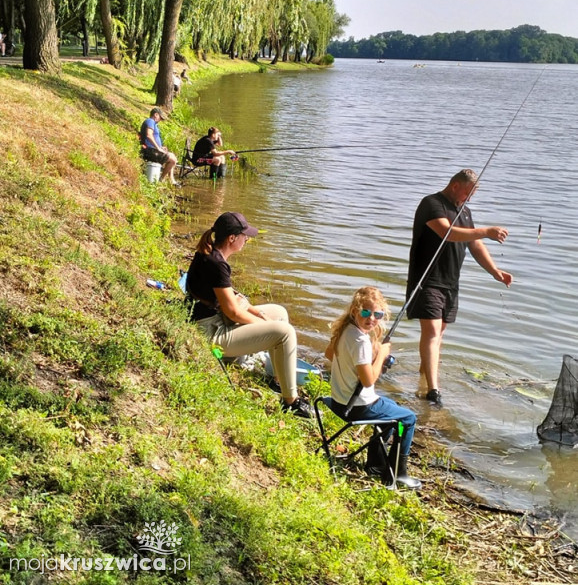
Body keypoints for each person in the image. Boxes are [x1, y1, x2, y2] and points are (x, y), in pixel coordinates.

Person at [186, 211, 311, 418]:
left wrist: (257, 313)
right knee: (285, 333)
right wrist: (261, 323)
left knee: (279, 313)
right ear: (232, 238)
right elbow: (233, 312)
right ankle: (291, 402)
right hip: (209, 334)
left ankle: (278, 379)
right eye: (245, 236)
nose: (247, 240)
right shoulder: (217, 264)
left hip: (214, 321)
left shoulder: (211, 253)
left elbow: (232, 297)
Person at [406, 168, 513, 406]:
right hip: (427, 279)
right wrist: (487, 231)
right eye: (467, 193)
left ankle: (424, 382)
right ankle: (434, 390)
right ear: (455, 185)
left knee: (438, 335)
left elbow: (474, 245)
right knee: (432, 332)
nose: (469, 198)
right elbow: (448, 233)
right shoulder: (432, 204)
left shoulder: (464, 211)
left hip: (450, 283)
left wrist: (495, 271)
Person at [324, 286, 421, 489]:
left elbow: (329, 354)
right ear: (355, 311)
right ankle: (397, 474)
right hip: (356, 407)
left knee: (391, 406)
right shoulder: (360, 341)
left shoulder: (345, 331)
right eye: (366, 312)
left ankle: (376, 464)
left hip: (338, 400)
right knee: (408, 418)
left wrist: (371, 354)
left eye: (378, 314)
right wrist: (382, 355)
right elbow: (368, 381)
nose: (372, 319)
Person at [139, 107, 178, 184]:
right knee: (173, 159)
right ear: (156, 114)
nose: (160, 120)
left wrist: (161, 147)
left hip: (153, 149)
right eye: (160, 118)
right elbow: (149, 135)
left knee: (172, 157)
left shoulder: (153, 124)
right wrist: (158, 148)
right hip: (150, 151)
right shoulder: (150, 121)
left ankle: (172, 180)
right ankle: (161, 179)